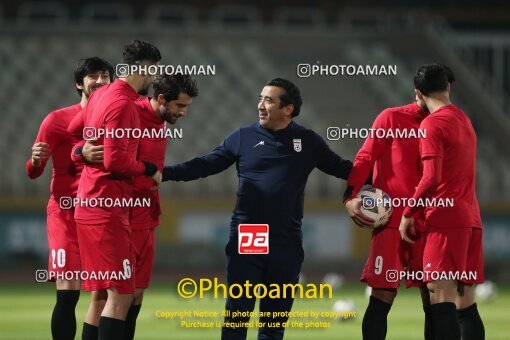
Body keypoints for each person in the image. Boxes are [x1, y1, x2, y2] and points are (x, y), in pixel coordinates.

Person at [162, 78, 353, 340]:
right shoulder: (243, 137)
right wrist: (164, 173)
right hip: (250, 232)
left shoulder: (307, 141)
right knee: (238, 315)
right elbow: (205, 164)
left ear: (288, 109)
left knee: (274, 322)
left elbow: (344, 169)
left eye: (268, 100)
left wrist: (384, 176)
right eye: (260, 98)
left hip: (286, 238)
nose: (260, 105)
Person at [75, 74, 199, 339]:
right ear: (162, 99)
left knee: (135, 296)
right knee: (106, 296)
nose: (184, 113)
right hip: (121, 215)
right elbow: (78, 137)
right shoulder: (129, 111)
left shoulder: (161, 121)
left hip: (147, 215)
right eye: (180, 106)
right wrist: (79, 152)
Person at [67, 40, 162, 340]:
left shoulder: (102, 94)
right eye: (153, 71)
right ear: (144, 68)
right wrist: (148, 168)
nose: (155, 78)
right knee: (120, 296)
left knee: (99, 299)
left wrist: (81, 151)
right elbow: (116, 161)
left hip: (88, 208)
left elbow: (73, 129)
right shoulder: (124, 103)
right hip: (107, 211)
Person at [26, 57, 113, 340]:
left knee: (103, 294)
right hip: (64, 214)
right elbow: (33, 172)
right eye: (92, 76)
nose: (99, 80)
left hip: (100, 214)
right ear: (79, 83)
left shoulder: (116, 121)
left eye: (104, 75)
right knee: (68, 292)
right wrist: (36, 161)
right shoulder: (56, 120)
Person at [399, 63, 485, 340]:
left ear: (418, 94)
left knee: (440, 296)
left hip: (445, 219)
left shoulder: (431, 124)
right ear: (448, 87)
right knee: (465, 301)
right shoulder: (464, 119)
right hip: (471, 218)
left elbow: (431, 178)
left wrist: (407, 213)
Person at [343, 98, 430, 340]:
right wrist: (350, 196)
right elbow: (365, 158)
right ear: (418, 92)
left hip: (432, 224)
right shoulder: (391, 118)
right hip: (391, 223)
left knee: (435, 300)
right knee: (381, 297)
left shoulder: (446, 122)